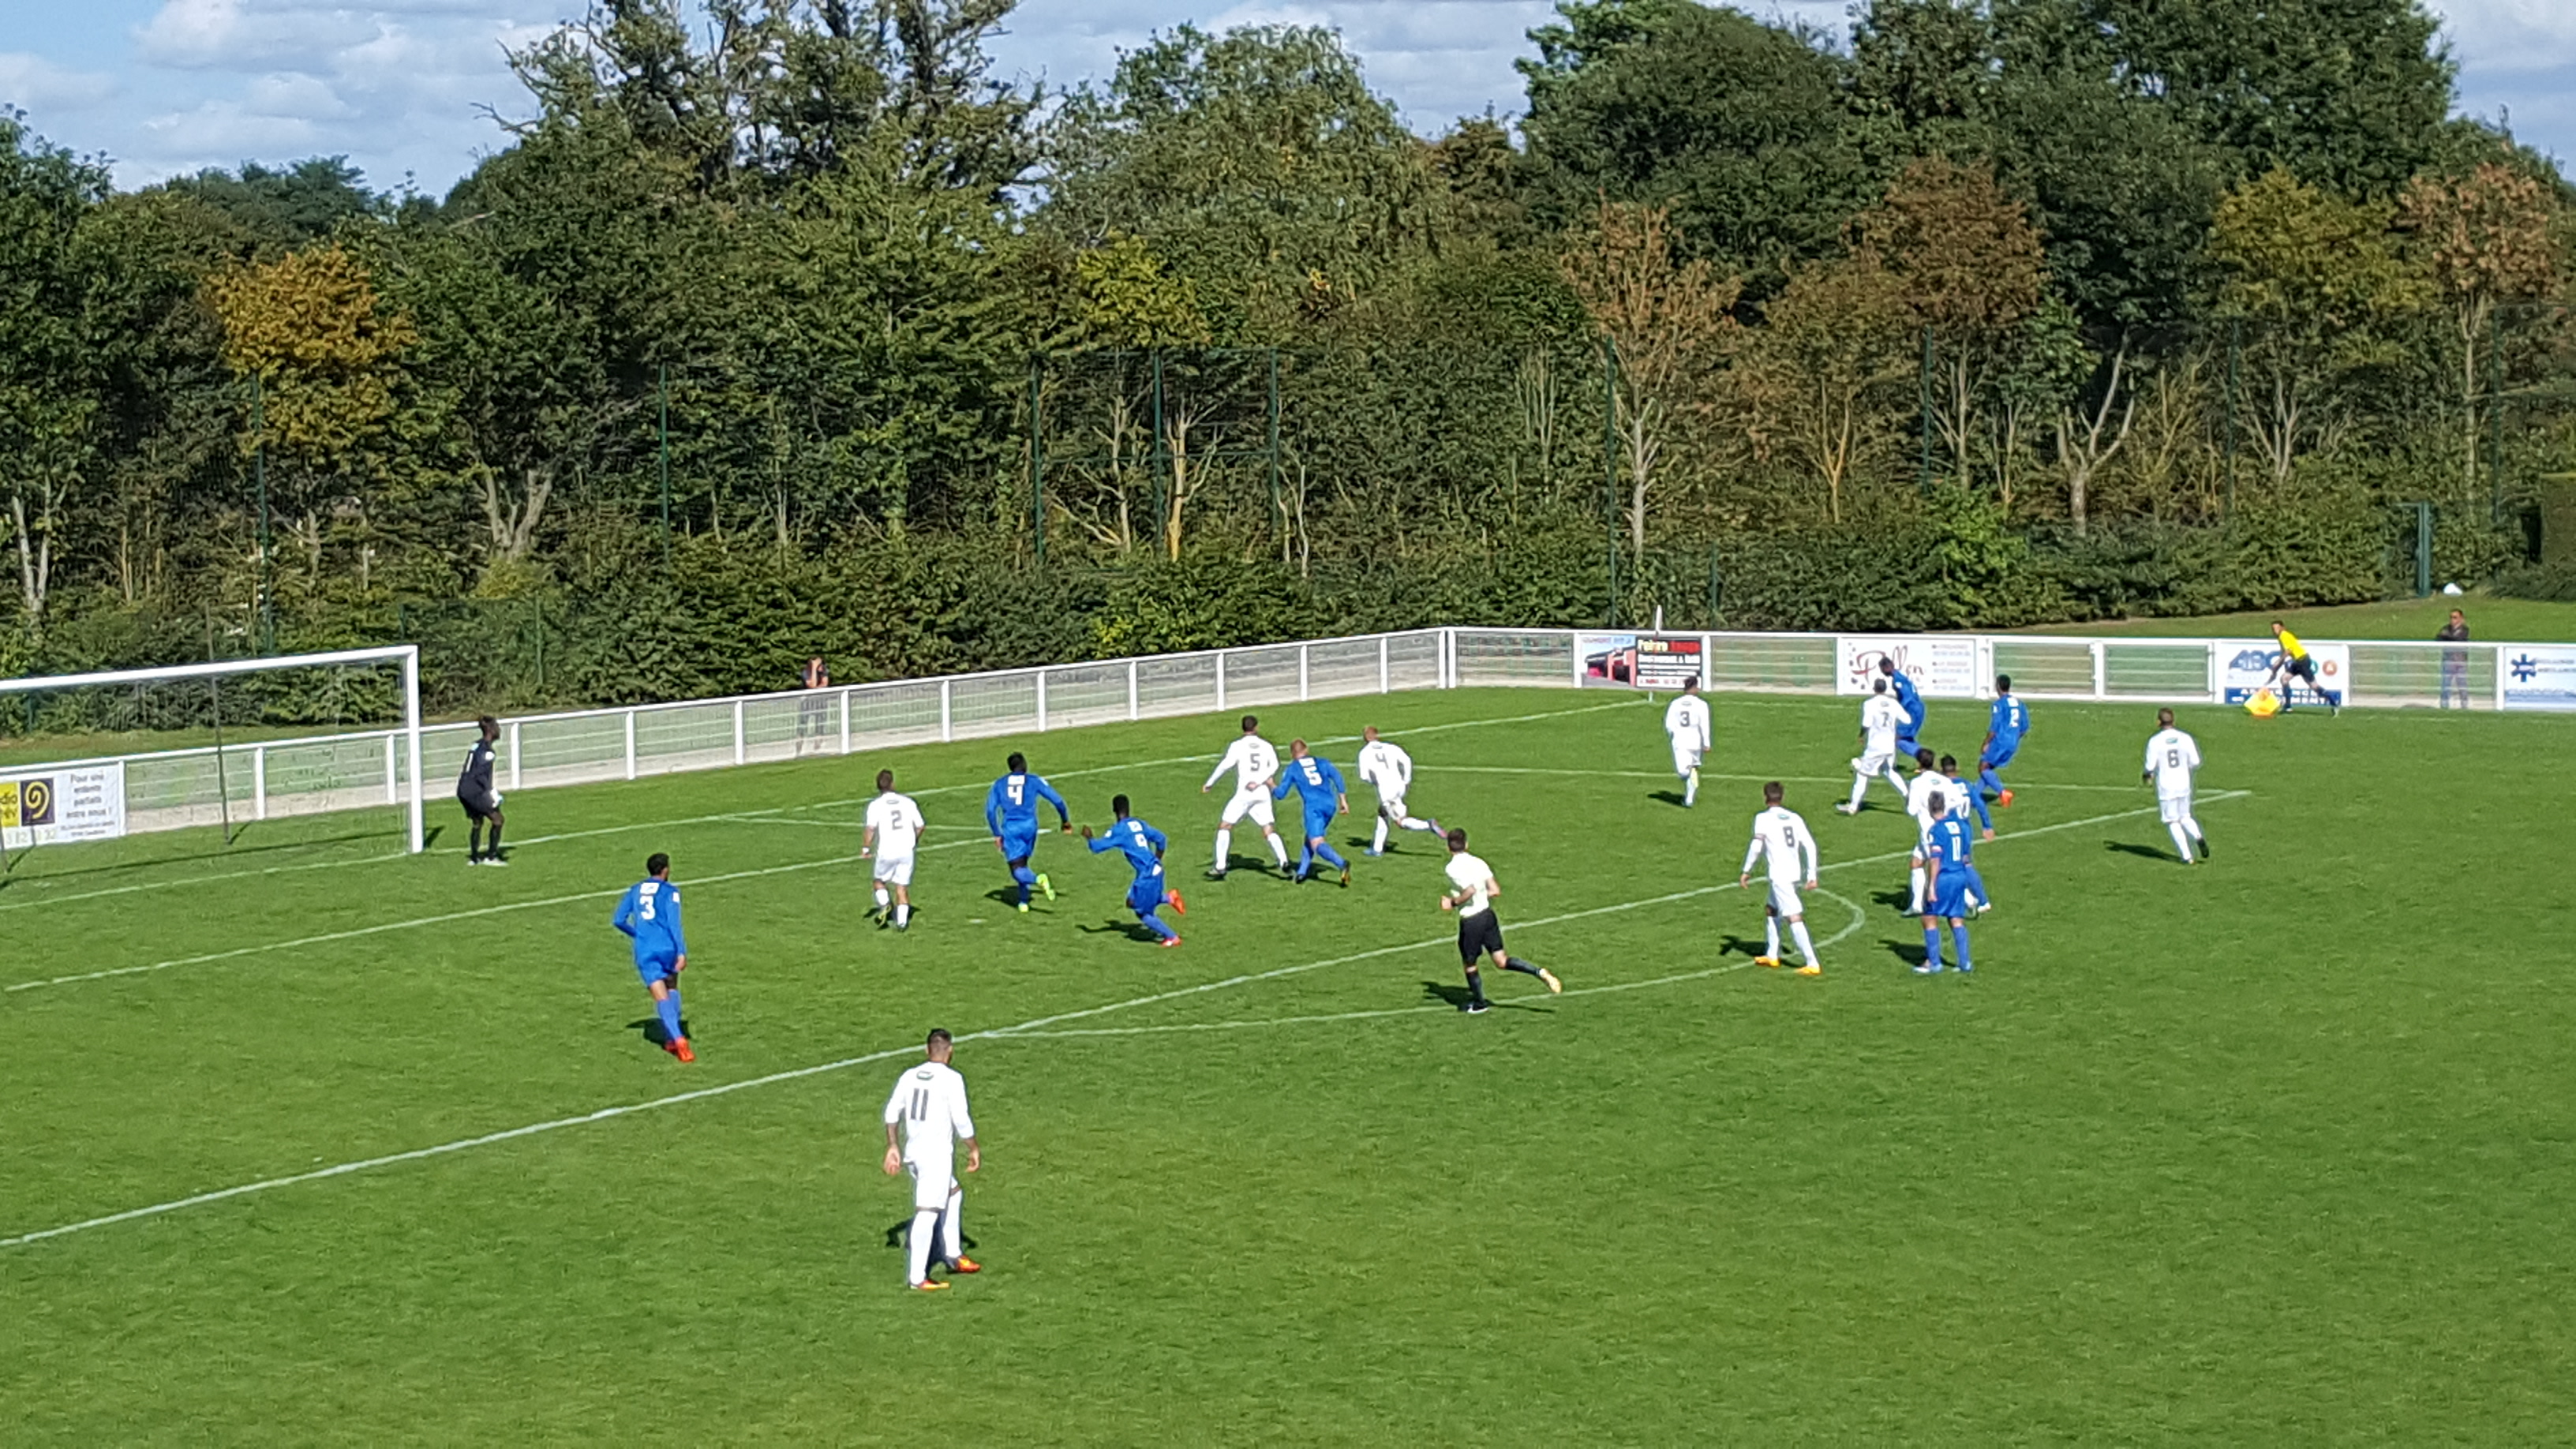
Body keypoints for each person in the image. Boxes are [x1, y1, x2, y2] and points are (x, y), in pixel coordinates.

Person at [882, 1029, 980, 1292]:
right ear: (950, 1051)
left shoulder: (909, 1075)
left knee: (954, 1192)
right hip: (935, 1158)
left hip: (913, 1154)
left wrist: (893, 1145)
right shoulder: (952, 1079)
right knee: (927, 1212)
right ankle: (917, 1278)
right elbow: (961, 1119)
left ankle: (952, 1254)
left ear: (927, 1051)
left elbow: (892, 1111)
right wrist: (973, 1148)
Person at [1438, 826, 1562, 1013]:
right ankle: (1539, 972)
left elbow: (1469, 890)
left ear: (1448, 848)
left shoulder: (1452, 868)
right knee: (1501, 961)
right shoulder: (1478, 862)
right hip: (1488, 916)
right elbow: (1495, 890)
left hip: (1472, 920)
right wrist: (1480, 893)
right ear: (1467, 844)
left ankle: (1480, 1004)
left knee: (1470, 964)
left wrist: (1452, 902)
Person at [610, 852, 693, 1061]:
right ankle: (676, 1038)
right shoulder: (671, 892)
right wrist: (681, 951)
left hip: (645, 950)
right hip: (667, 947)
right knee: (672, 988)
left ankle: (676, 1040)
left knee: (660, 997)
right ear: (665, 869)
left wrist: (638, 935)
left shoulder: (635, 890)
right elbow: (675, 923)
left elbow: (618, 919)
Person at [1738, 781, 1822, 975]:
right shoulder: (1794, 817)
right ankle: (1772, 955)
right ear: (1781, 797)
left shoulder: (1763, 818)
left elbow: (1756, 846)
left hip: (1779, 875)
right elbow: (1810, 845)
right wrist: (1811, 874)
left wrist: (1746, 870)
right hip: (1794, 872)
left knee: (1793, 916)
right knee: (1771, 909)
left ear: (1765, 797)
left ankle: (1812, 962)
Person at [1082, 795, 1186, 947]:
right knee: (1132, 901)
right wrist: (1158, 860)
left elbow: (1096, 848)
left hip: (1147, 875)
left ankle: (1172, 937)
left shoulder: (1118, 831)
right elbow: (1161, 839)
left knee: (1142, 912)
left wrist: (1089, 837)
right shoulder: (1139, 823)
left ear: (1114, 810)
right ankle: (1170, 898)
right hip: (1153, 870)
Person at [1200, 715, 1292, 878]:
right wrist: (1260, 781)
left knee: (1225, 825)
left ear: (1243, 728)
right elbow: (1275, 765)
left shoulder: (1237, 746)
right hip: (1262, 792)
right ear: (1256, 727)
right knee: (1268, 828)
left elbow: (1226, 765)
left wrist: (1210, 782)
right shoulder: (1266, 745)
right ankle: (1283, 860)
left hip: (1245, 793)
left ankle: (1220, 866)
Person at [984, 752, 1071, 912]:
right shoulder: (1033, 780)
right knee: (1023, 863)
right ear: (1024, 765)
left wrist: (997, 833)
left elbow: (990, 811)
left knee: (1017, 869)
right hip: (1030, 826)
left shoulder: (999, 784)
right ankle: (1023, 902)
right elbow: (1058, 800)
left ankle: (1038, 879)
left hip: (1012, 829)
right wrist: (1065, 820)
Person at [1272, 739, 1353, 886]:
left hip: (1313, 807)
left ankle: (1341, 863)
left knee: (1316, 841)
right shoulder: (1322, 762)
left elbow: (1280, 794)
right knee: (1310, 837)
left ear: (1292, 754)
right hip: (1330, 805)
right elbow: (1337, 777)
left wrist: (1271, 784)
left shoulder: (1293, 768)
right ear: (1306, 749)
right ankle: (1302, 873)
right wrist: (1343, 800)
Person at [1355, 725, 1440, 856]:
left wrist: (1376, 781)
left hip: (1386, 790)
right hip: (1400, 785)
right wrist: (1406, 779)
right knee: (1383, 813)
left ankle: (1428, 825)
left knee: (1400, 821)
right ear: (1377, 735)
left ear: (1365, 737)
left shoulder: (1365, 753)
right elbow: (1407, 760)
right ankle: (1377, 848)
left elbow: (1364, 776)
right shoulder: (1391, 747)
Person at [1915, 797, 1977, 975]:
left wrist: (1932, 886)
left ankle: (1934, 963)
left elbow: (1935, 860)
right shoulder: (1962, 826)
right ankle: (1964, 962)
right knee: (1956, 918)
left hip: (1945, 877)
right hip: (1960, 875)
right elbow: (1966, 857)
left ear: (1929, 808)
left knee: (1929, 916)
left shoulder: (1937, 830)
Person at [862, 768, 926, 930]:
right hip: (906, 851)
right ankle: (902, 923)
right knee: (901, 886)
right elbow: (920, 826)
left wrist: (866, 848)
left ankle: (885, 905)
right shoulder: (908, 802)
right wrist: (913, 841)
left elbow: (870, 828)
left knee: (878, 882)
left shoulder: (875, 805)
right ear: (893, 784)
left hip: (887, 850)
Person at [2142, 708, 2208, 864]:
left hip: (2167, 786)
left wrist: (2147, 777)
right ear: (2174, 721)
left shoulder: (2155, 741)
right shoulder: (2185, 738)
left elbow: (2150, 766)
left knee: (2172, 821)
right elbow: (2196, 762)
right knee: (2185, 816)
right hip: (2184, 783)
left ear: (2158, 722)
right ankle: (2198, 836)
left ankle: (2187, 857)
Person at [1837, 680, 1910, 814]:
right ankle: (1907, 795)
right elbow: (1907, 720)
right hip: (1890, 746)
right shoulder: (1893, 703)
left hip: (1876, 747)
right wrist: (1898, 732)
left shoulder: (1869, 704)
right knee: (1889, 771)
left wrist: (1861, 735)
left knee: (1862, 774)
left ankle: (1853, 807)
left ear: (1874, 689)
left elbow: (1867, 723)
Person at [457, 715, 506, 866]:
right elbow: (481, 774)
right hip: (475, 790)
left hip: (463, 789)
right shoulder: (488, 752)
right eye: (497, 727)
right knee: (498, 820)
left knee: (477, 822)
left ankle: (474, 858)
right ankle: (491, 857)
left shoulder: (475, 745)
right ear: (491, 730)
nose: (499, 730)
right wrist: (491, 792)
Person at [1663, 677, 1713, 807]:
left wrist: (1673, 734)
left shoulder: (1675, 703)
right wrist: (1706, 743)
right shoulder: (1702, 704)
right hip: (1695, 740)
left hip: (1681, 741)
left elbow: (1669, 723)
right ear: (1695, 687)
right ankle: (1689, 799)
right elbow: (1705, 725)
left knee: (1683, 771)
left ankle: (1690, 785)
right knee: (1690, 768)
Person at [2268, 621, 2338, 714]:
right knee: (2284, 679)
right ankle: (2288, 706)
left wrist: (2278, 662)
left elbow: (2288, 651)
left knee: (2314, 686)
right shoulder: (2283, 637)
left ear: (2282, 628)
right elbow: (2284, 653)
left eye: (2277, 628)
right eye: (2273, 629)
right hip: (2298, 661)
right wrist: (2276, 669)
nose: (2275, 630)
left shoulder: (2283, 635)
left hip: (2302, 661)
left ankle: (2333, 702)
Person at [1979, 676, 2027, 809]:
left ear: (1998, 686)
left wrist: (1986, 743)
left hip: (2000, 741)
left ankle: (2003, 792)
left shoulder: (1999, 705)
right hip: (2013, 741)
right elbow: (2024, 728)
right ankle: (1975, 796)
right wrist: (2013, 738)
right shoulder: (2019, 703)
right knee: (1988, 767)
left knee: (1983, 766)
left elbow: (1994, 726)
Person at [1878, 657, 1927, 757]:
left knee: (1897, 738)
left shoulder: (1897, 681)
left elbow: (1907, 697)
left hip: (1912, 710)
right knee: (1906, 737)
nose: (1882, 672)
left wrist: (1899, 710)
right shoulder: (1900, 676)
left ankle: (1924, 757)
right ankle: (1924, 759)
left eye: (1881, 669)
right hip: (1917, 708)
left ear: (1885, 668)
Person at [1938, 752, 1994, 839]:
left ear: (1941, 770)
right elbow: (1980, 805)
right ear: (1956, 768)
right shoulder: (1967, 785)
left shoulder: (1941, 787)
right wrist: (1987, 826)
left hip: (1948, 828)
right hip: (1965, 828)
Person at [796, 657, 832, 755]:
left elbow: (824, 684)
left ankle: (817, 750)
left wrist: (817, 687)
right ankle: (798, 750)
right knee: (803, 726)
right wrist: (814, 669)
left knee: (820, 725)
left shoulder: (824, 671)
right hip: (807, 702)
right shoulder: (806, 673)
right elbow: (812, 685)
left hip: (821, 702)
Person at [2436, 608, 2471, 709]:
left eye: (2455, 617)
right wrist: (2446, 637)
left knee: (2462, 685)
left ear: (2461, 619)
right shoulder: (2446, 628)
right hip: (2448, 660)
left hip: (2460, 661)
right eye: (2451, 617)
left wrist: (2447, 637)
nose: (2452, 620)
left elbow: (2459, 639)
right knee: (2445, 685)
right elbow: (2438, 638)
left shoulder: (2465, 630)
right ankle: (2444, 705)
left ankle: (2464, 706)